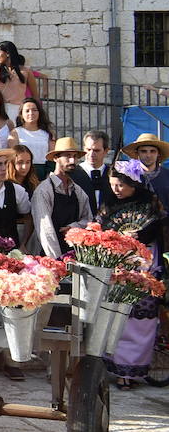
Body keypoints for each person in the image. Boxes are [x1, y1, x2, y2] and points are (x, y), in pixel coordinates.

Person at [98, 161, 165, 389]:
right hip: (117, 264)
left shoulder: (149, 201)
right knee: (118, 317)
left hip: (145, 264)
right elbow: (102, 228)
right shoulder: (108, 202)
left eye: (121, 185)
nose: (117, 189)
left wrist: (140, 235)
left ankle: (135, 368)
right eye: (113, 184)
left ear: (133, 183)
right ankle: (119, 371)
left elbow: (158, 227)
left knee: (142, 320)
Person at [30, 137, 92, 256]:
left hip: (74, 255)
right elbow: (45, 230)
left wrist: (74, 227)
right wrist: (57, 261)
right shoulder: (44, 191)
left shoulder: (78, 191)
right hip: (48, 257)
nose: (72, 161)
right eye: (68, 156)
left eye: (75, 156)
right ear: (56, 158)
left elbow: (88, 220)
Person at [7, 98, 54, 174]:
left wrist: (48, 173)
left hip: (43, 172)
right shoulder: (15, 133)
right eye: (27, 111)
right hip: (22, 172)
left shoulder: (47, 133)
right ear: (21, 114)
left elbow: (52, 156)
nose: (31, 113)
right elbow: (13, 156)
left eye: (34, 110)